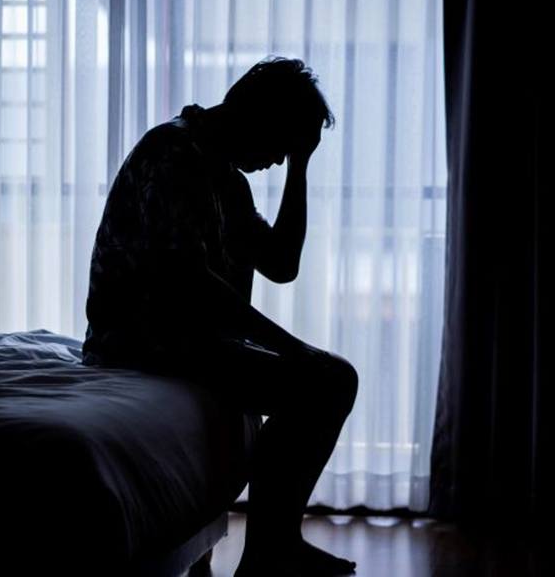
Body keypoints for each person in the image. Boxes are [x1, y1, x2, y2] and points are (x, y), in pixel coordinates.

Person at [81, 56, 359, 576]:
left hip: (184, 336)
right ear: (257, 114)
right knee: (329, 380)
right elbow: (191, 284)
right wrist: (294, 350)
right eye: (282, 144)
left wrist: (302, 167)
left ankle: (273, 545)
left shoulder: (224, 177)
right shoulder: (172, 152)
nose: (278, 160)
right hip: (137, 339)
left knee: (330, 378)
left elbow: (281, 263)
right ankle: (270, 550)